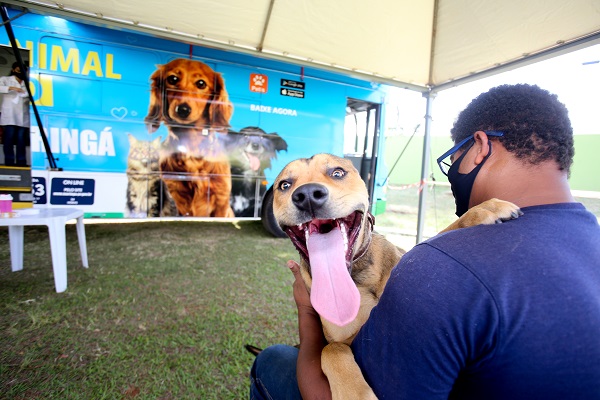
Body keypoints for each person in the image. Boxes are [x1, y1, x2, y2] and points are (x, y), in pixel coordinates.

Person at [249, 84, 600, 399]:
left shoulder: (437, 273)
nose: (308, 191)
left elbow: (425, 266)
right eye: (286, 185)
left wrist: (307, 315)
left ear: (479, 148)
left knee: (272, 358)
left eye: (336, 173)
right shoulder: (590, 237)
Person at [1, 61, 30, 166]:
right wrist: (12, 88)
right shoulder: (6, 79)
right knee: (9, 139)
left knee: (21, 140)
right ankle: (9, 161)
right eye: (18, 70)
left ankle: (21, 162)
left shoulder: (28, 82)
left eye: (22, 70)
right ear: (13, 70)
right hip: (10, 115)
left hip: (23, 116)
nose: (20, 72)